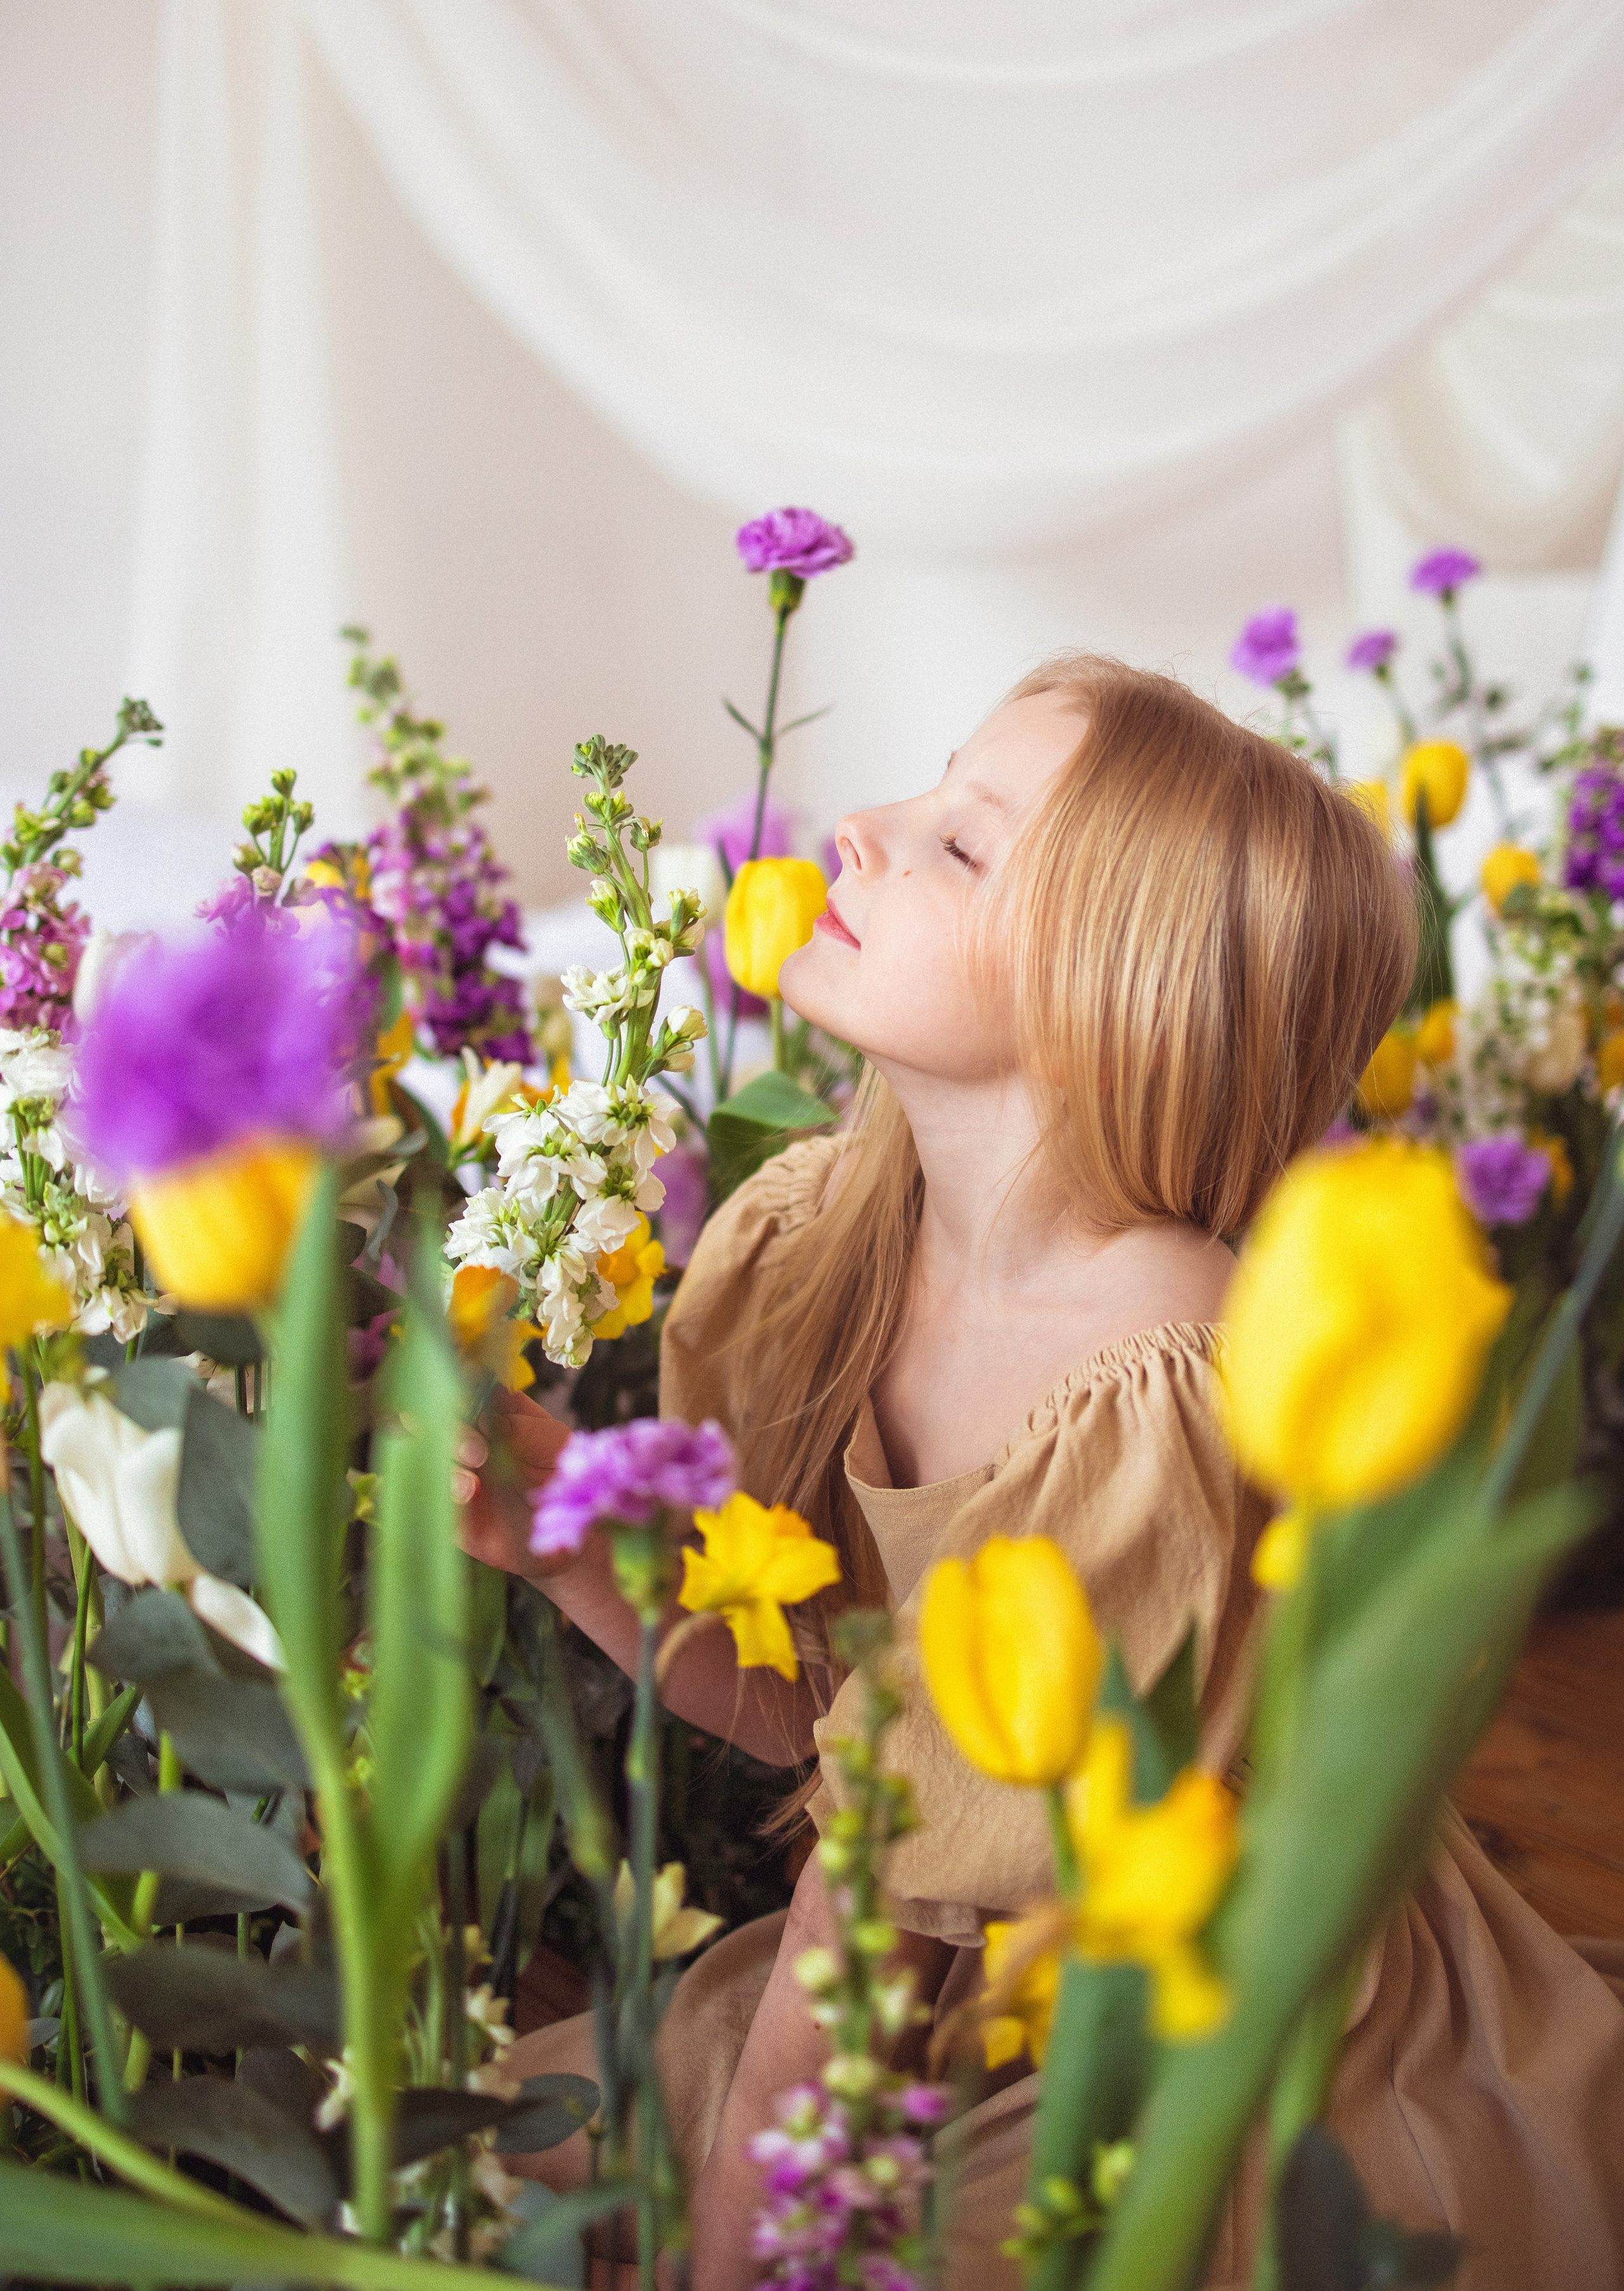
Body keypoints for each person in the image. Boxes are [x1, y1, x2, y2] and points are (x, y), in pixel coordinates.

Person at [459, 656, 1624, 2288]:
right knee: (465, 2151)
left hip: (1189, 2029)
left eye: (959, 846)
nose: (857, 832)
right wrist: (556, 1529)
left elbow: (858, 1910)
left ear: (1117, 994)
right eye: (925, 800)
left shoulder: (1155, 1386)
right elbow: (815, 1713)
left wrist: (740, 2253)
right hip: (916, 1971)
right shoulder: (823, 1236)